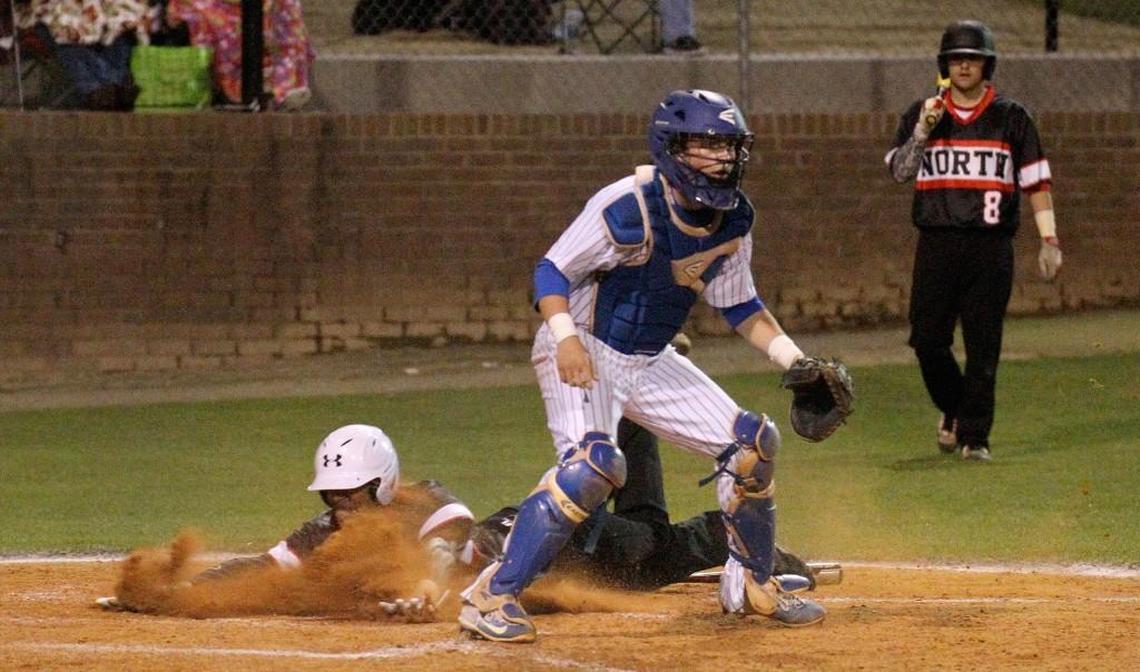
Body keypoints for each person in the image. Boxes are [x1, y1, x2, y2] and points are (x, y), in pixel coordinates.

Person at [457, 88, 831, 644]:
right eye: (707, 146)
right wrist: (565, 339)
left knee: (753, 445)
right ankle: (491, 596)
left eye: (729, 147)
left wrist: (796, 360)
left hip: (649, 358)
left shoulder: (733, 219)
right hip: (582, 347)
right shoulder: (627, 205)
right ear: (671, 148)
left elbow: (741, 305)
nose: (722, 159)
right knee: (593, 468)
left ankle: (751, 585)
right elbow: (551, 272)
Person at [885, 20, 1062, 463]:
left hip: (990, 247)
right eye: (956, 59)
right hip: (938, 243)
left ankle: (975, 437)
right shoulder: (922, 112)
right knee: (927, 340)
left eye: (973, 59)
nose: (964, 66)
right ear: (944, 65)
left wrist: (1049, 239)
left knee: (984, 345)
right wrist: (923, 131)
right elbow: (900, 172)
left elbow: (1037, 183)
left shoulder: (1011, 117)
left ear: (987, 65)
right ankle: (956, 408)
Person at [165, 0, 314, 110]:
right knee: (208, 18)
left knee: (288, 7)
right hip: (217, 10)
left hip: (259, 10)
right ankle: (229, 85)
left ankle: (285, 85)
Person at [14, 0, 153, 110]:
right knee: (64, 36)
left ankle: (103, 89)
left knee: (123, 25)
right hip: (57, 15)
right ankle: (109, 85)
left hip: (105, 15)